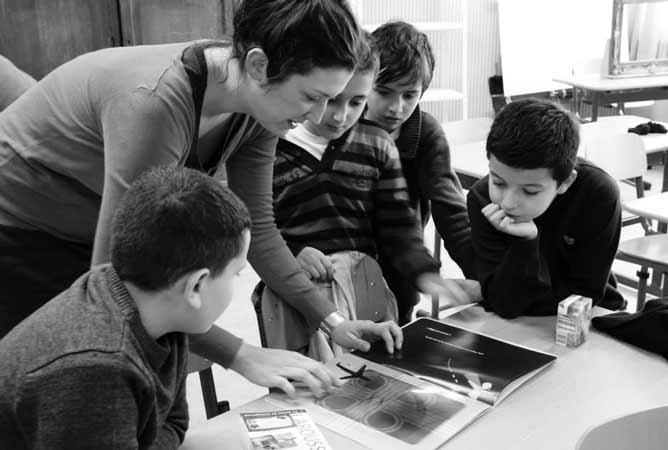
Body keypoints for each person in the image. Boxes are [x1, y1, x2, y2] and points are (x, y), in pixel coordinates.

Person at [0, 0, 397, 388]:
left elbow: (257, 226)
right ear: (260, 65)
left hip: (92, 221)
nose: (320, 115)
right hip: (21, 225)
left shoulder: (259, 102)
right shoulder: (154, 105)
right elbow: (120, 284)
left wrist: (333, 320)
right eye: (312, 97)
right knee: (69, 377)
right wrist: (241, 354)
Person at [0, 166, 340, 449]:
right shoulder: (96, 366)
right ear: (195, 286)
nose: (237, 281)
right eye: (236, 274)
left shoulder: (163, 314)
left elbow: (173, 424)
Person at [267, 33, 464, 359]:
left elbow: (399, 227)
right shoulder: (271, 144)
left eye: (356, 102)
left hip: (365, 291)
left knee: (372, 379)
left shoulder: (378, 145)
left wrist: (423, 273)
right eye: (332, 99)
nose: (341, 115)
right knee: (302, 390)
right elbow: (253, 227)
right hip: (295, 298)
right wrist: (293, 251)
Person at [467, 98, 625, 319]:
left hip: (588, 318)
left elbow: (584, 295)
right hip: (516, 325)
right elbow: (504, 303)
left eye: (530, 191)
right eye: (498, 182)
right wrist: (526, 243)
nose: (508, 202)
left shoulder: (598, 193)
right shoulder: (482, 200)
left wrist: (504, 297)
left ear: (565, 182)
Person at [364, 21, 479, 323]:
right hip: (344, 269)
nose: (396, 107)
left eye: (409, 95)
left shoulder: (426, 133)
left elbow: (451, 209)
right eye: (384, 92)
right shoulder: (342, 126)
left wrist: (483, 277)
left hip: (402, 268)